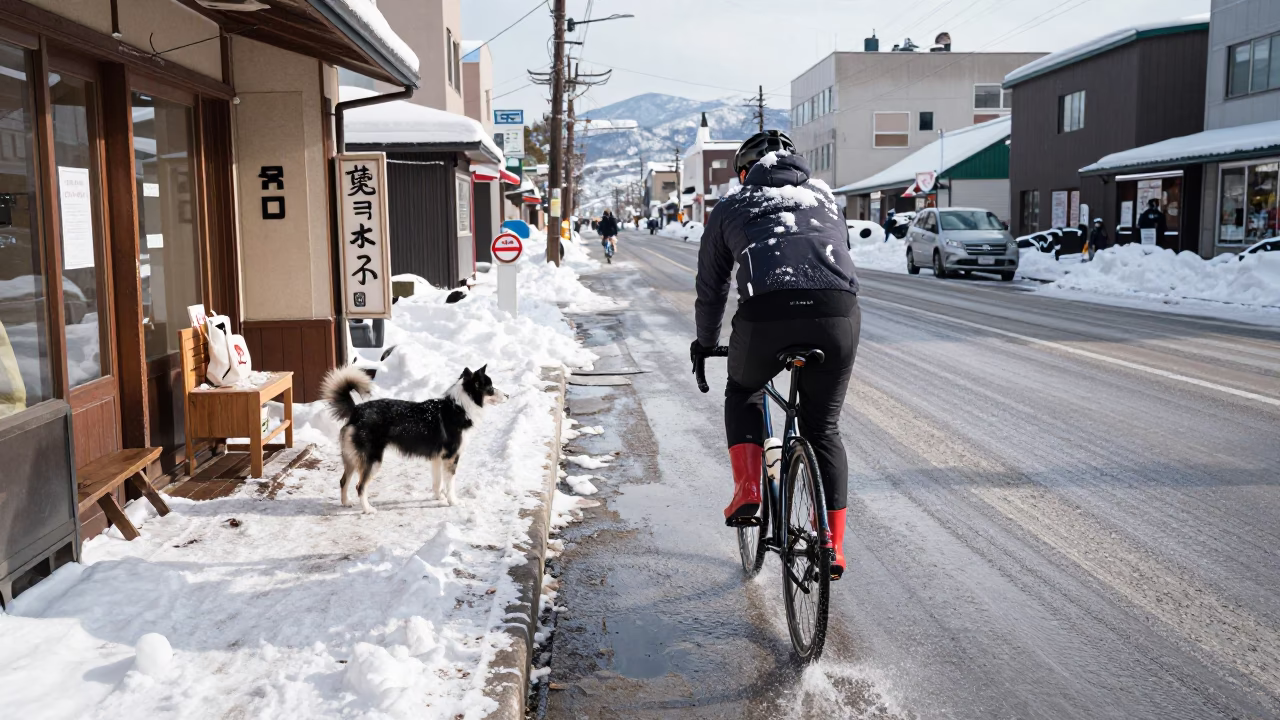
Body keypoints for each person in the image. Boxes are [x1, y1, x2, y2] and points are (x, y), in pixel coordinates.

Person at [690, 130, 861, 580]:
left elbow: (712, 287)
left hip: (765, 315)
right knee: (822, 427)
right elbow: (842, 255)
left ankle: (748, 489)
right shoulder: (825, 197)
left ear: (746, 173)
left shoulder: (732, 206)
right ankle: (833, 545)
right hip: (836, 314)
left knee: (743, 388)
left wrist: (706, 342)